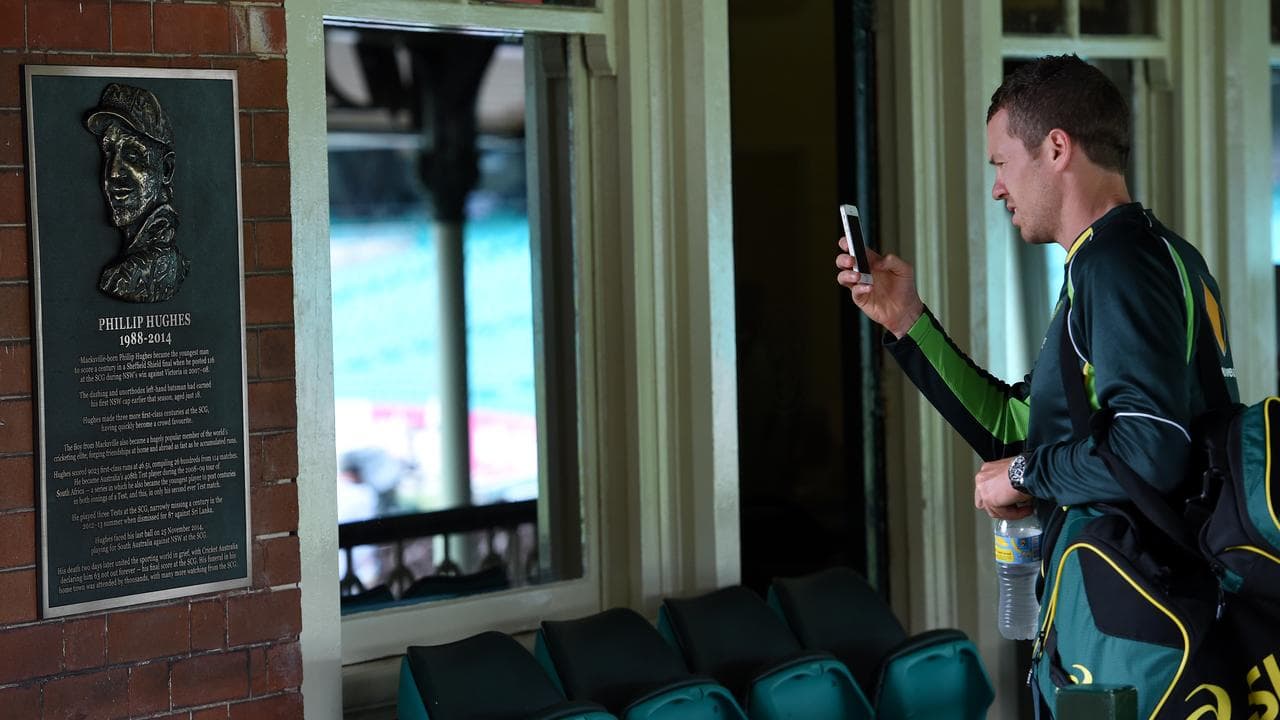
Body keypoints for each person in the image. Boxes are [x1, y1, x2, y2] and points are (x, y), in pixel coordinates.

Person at [836, 53, 1237, 523]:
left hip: (1148, 589)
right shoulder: (1145, 253)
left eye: (1002, 163)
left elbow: (1148, 449)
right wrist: (906, 320)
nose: (997, 188)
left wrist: (1025, 474)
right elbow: (1014, 427)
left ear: (1056, 148)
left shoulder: (1117, 263)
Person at [85, 82, 190, 303]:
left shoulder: (126, 277)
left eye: (133, 155)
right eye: (109, 153)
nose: (113, 173)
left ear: (166, 169)